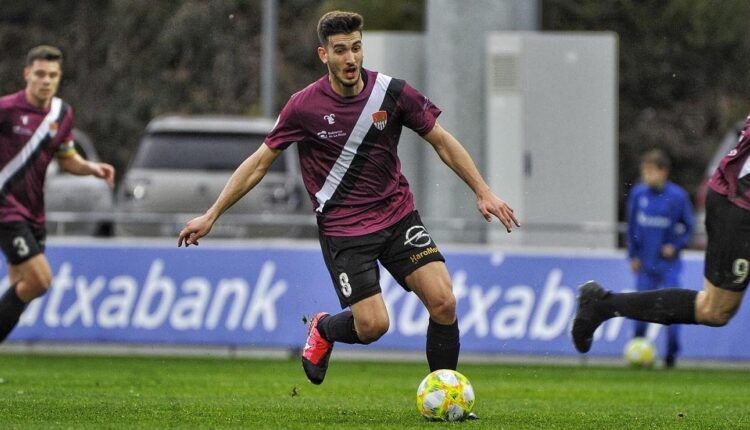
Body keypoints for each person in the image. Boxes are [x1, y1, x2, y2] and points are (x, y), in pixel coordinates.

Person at [178, 11, 520, 386]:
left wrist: (482, 190)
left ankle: (445, 394)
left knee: (444, 301)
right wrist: (212, 215)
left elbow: (440, 140)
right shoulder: (303, 107)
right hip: (345, 231)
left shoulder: (392, 93)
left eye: (356, 48)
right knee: (373, 326)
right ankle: (323, 328)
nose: (351, 59)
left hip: (397, 217)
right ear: (323, 55)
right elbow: (259, 164)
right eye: (340, 50)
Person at [572, 115, 750, 356]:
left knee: (715, 311)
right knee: (714, 309)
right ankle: (602, 305)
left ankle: (602, 305)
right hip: (738, 203)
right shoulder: (642, 194)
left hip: (734, 199)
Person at [0, 45, 115, 342]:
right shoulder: (7, 110)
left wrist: (91, 168)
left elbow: (66, 158)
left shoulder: (62, 114)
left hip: (34, 212)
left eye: (52, 75)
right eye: (40, 74)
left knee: (18, 286)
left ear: (59, 76)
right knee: (39, 281)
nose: (46, 80)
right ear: (27, 74)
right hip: (5, 209)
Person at [625, 149, 694, 367]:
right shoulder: (638, 194)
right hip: (645, 264)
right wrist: (633, 255)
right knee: (640, 310)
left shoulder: (677, 196)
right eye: (644, 171)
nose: (646, 176)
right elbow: (632, 227)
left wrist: (675, 246)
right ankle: (637, 353)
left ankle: (672, 355)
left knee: (672, 309)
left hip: (668, 266)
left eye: (650, 171)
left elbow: (689, 227)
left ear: (663, 172)